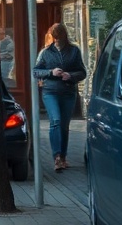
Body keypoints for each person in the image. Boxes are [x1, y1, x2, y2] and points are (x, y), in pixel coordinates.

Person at [33, 22, 87, 171]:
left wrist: (70, 75)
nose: (57, 41)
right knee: (55, 121)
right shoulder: (45, 52)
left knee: (64, 125)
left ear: (64, 36)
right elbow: (36, 71)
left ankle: (63, 156)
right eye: (55, 38)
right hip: (50, 91)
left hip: (68, 92)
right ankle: (56, 156)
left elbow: (82, 72)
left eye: (60, 37)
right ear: (52, 36)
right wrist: (51, 72)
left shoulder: (74, 51)